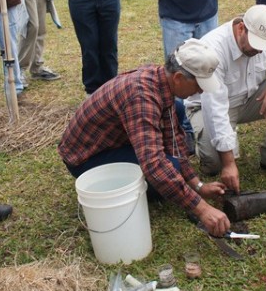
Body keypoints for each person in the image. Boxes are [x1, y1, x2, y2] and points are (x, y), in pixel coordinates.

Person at [58, 38, 231, 236]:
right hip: (86, 158)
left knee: (178, 110)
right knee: (168, 167)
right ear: (178, 78)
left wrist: (198, 186)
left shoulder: (160, 80)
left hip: (113, 143)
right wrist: (202, 209)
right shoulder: (141, 97)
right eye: (199, 84)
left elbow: (173, 140)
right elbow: (154, 164)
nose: (201, 90)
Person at [185, 5, 266, 193]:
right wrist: (229, 163)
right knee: (214, 164)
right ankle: (199, 139)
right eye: (256, 44)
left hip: (249, 100)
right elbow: (215, 109)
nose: (260, 51)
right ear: (241, 28)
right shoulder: (214, 48)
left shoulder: (264, 32)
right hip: (209, 107)